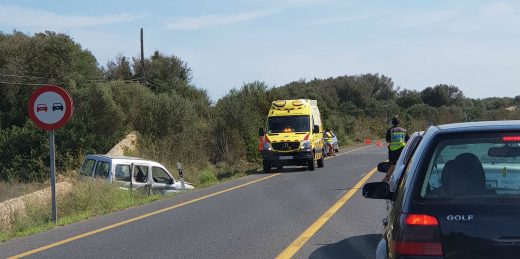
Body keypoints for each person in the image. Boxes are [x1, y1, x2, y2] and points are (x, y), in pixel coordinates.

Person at [383, 116, 409, 181]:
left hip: (393, 150)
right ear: (399, 123)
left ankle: (387, 178)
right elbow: (407, 140)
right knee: (403, 164)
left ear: (392, 123)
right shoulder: (404, 130)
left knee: (393, 164)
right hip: (402, 149)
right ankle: (404, 178)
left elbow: (387, 140)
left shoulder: (390, 130)